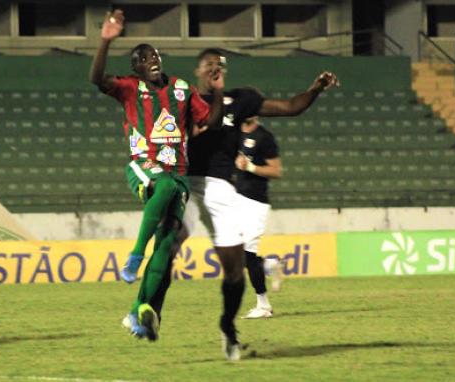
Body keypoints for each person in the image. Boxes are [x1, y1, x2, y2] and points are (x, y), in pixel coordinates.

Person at [144, 49, 339, 360]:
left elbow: (290, 107)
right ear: (198, 70)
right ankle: (151, 310)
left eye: (218, 65)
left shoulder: (242, 99)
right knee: (168, 243)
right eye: (208, 64)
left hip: (222, 190)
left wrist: (314, 89)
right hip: (190, 185)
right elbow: (201, 128)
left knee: (235, 271)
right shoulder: (185, 100)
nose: (213, 69)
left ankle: (228, 329)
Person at [89, 10, 224, 341]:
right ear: (135, 67)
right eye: (143, 58)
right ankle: (135, 255)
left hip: (179, 173)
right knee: (161, 186)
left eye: (154, 55)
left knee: (166, 245)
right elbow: (97, 79)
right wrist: (106, 40)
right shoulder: (130, 88)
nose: (152, 59)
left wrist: (218, 90)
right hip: (143, 165)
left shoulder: (181, 88)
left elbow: (210, 123)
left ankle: (138, 312)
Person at [234, 116, 282, 319]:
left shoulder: (264, 137)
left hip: (256, 202)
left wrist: (251, 167)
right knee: (238, 254)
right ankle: (268, 265)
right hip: (235, 199)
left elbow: (276, 170)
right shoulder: (235, 134)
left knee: (246, 252)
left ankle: (264, 306)